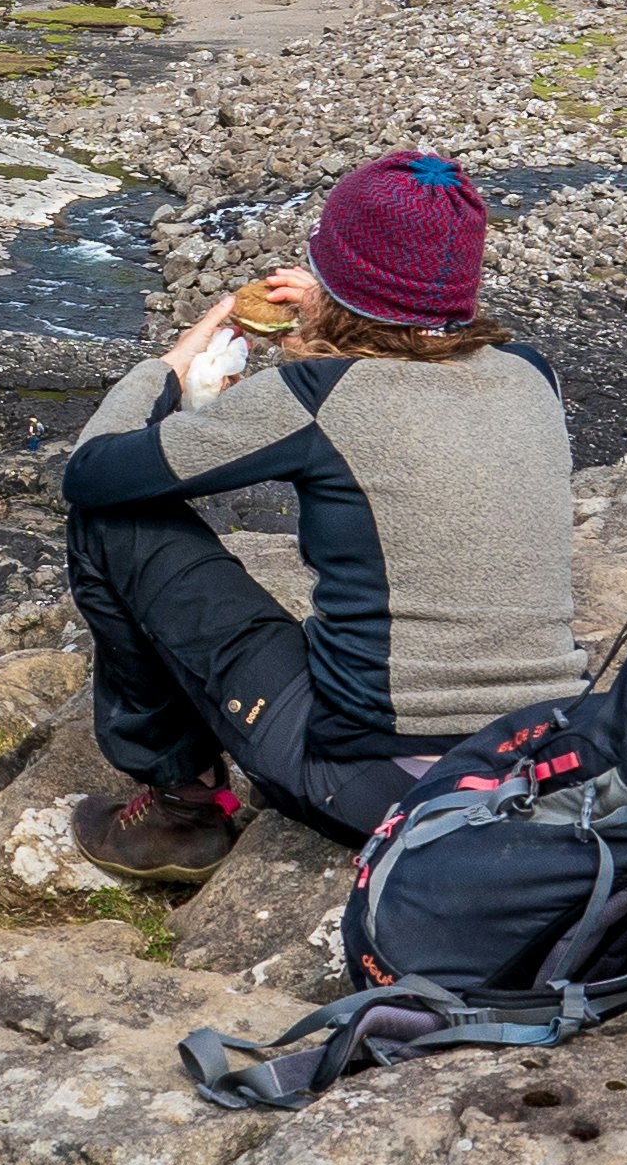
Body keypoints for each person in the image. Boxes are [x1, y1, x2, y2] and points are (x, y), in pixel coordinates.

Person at [58, 150, 577, 883]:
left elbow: (92, 475)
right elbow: (413, 360)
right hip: (542, 753)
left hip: (374, 781)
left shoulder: (314, 393)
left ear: (335, 281)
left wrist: (167, 370)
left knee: (111, 525)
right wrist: (342, 309)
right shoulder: (532, 374)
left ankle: (181, 810)